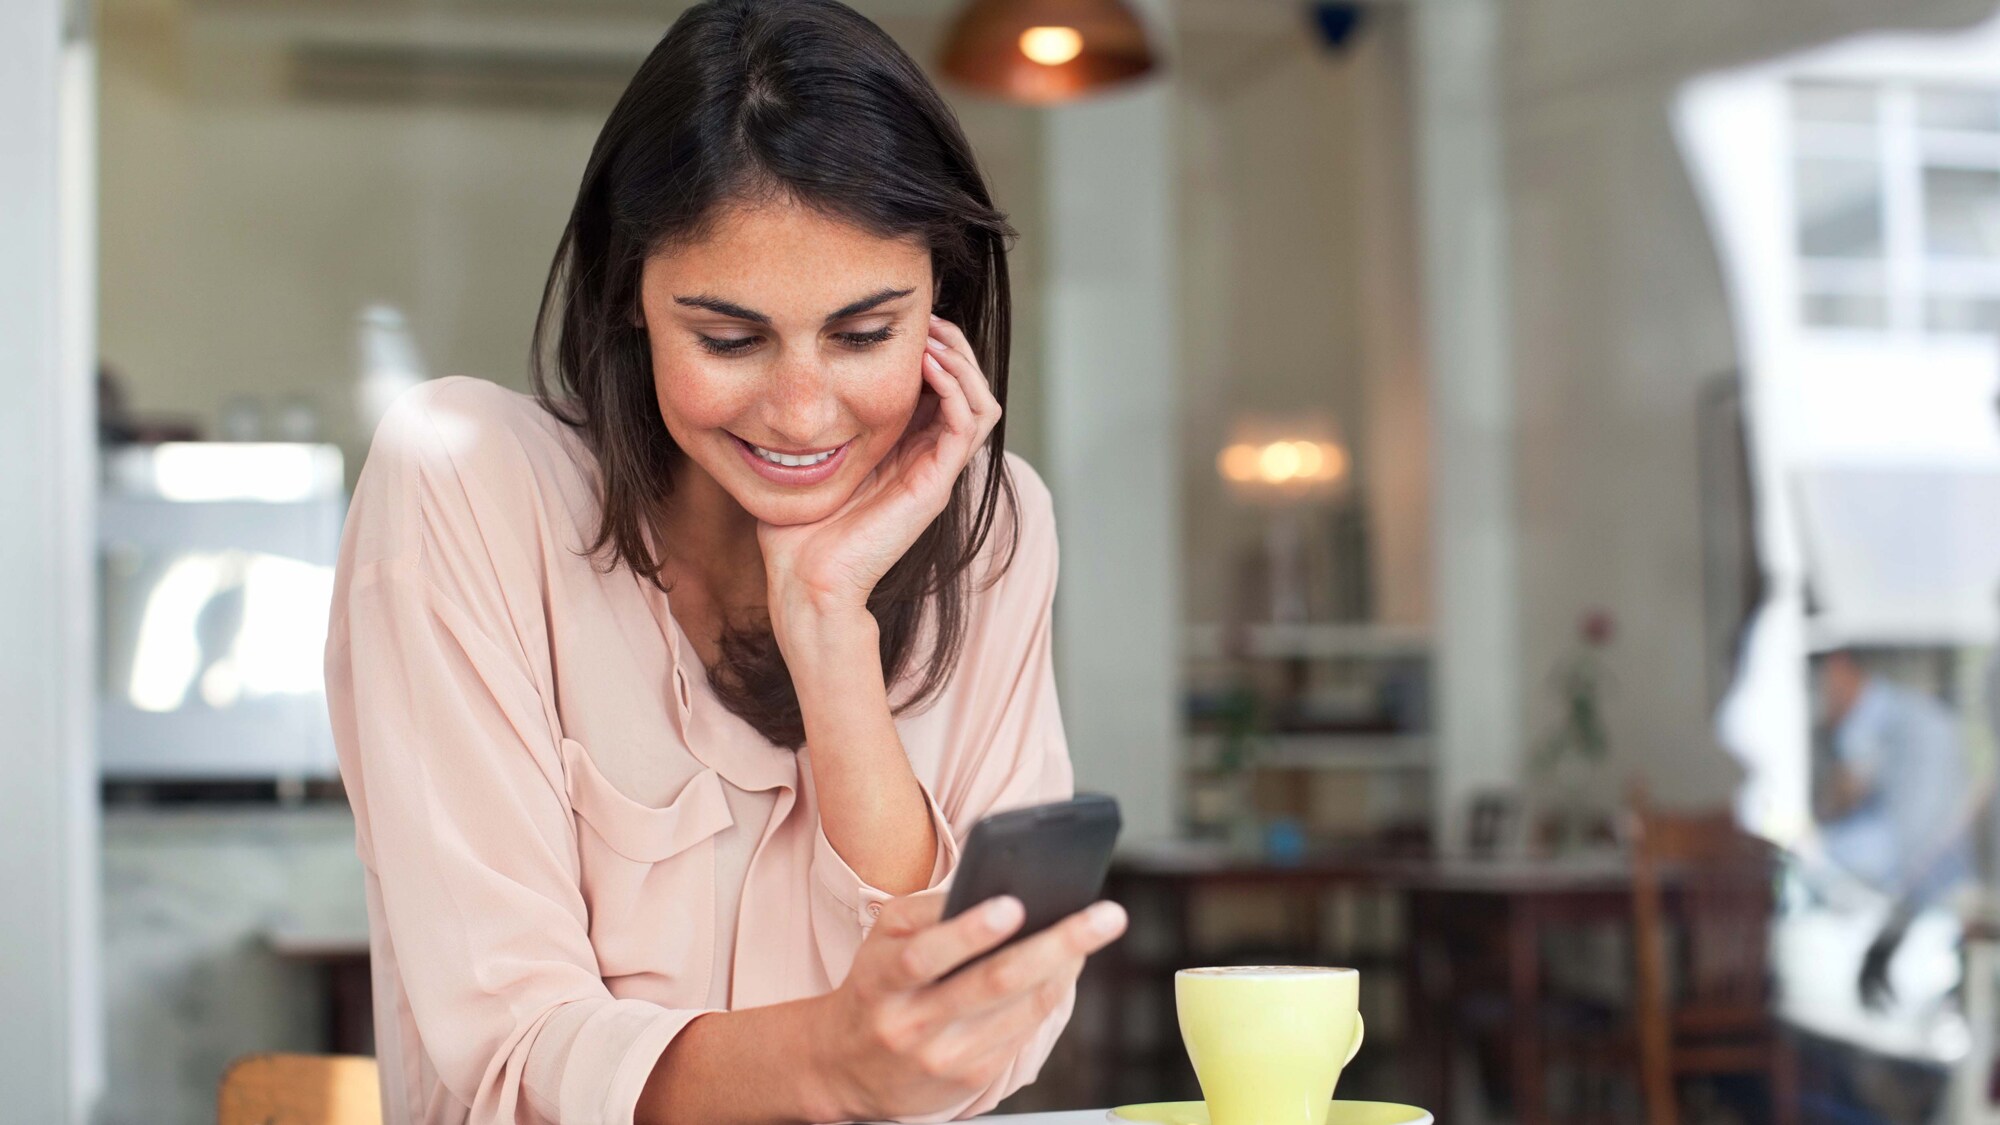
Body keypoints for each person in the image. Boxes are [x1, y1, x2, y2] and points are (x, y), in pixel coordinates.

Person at [321, 3, 1128, 1122]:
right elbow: (508, 1052)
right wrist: (834, 1062)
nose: (801, 413)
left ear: (940, 306)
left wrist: (830, 625)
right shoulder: (467, 482)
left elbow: (978, 1033)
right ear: (631, 305)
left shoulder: (992, 533)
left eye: (863, 335)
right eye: (729, 339)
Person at [1813, 649, 1988, 1007]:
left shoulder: (1885, 721)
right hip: (1944, 878)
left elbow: (1908, 852)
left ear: (1838, 665)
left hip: (1940, 874)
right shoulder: (1894, 720)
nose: (1820, 702)